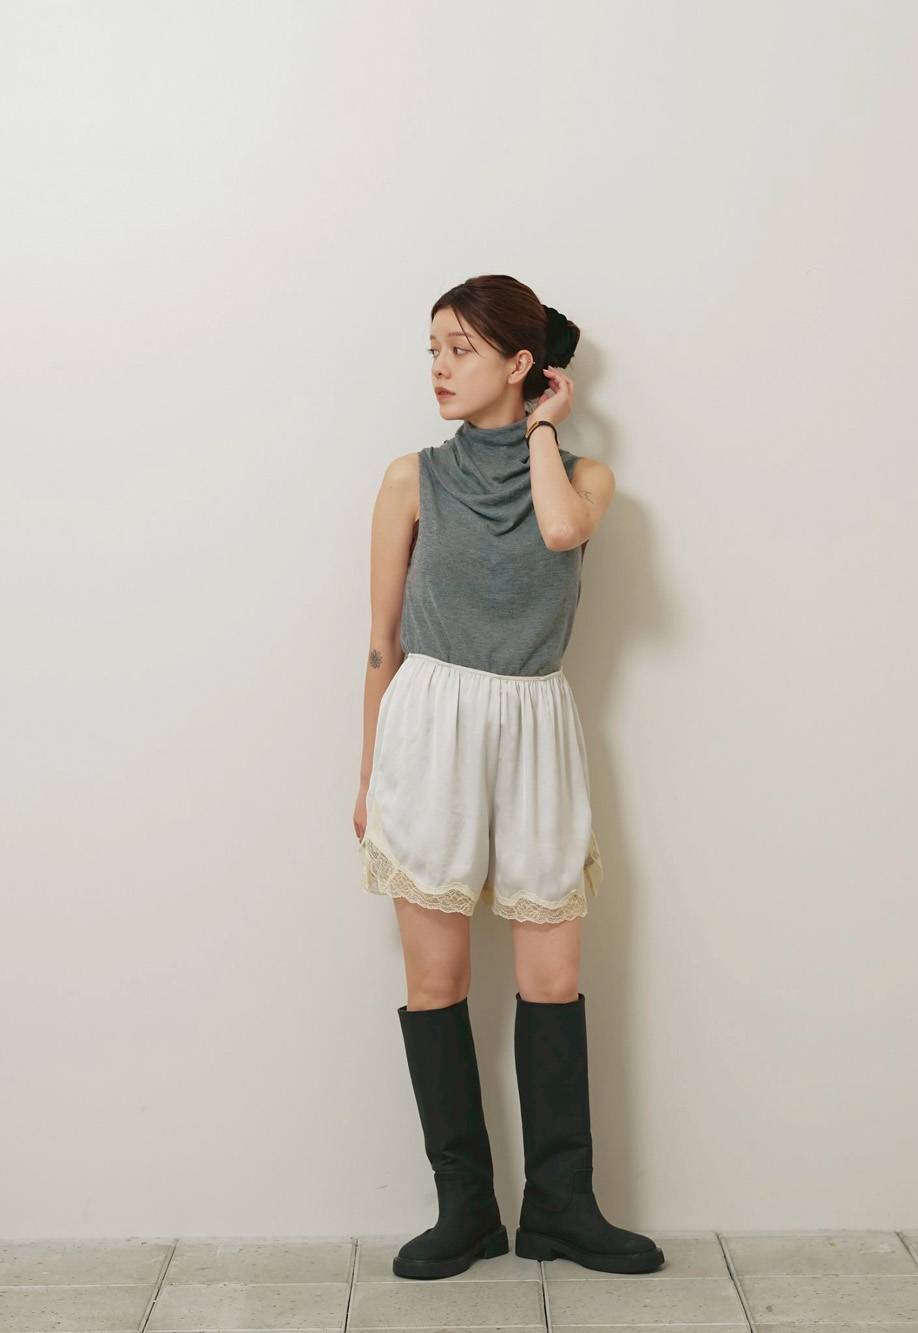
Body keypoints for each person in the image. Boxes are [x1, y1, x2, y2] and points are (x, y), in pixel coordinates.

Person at [354, 274, 664, 1280]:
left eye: (461, 349)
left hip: (535, 724)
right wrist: (368, 773)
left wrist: (541, 429)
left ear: (521, 363)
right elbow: (381, 642)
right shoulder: (410, 479)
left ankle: (562, 1207)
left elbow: (561, 532)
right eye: (433, 349)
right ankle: (466, 1210)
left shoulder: (585, 478)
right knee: (435, 980)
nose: (439, 369)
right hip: (428, 727)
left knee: (552, 976)